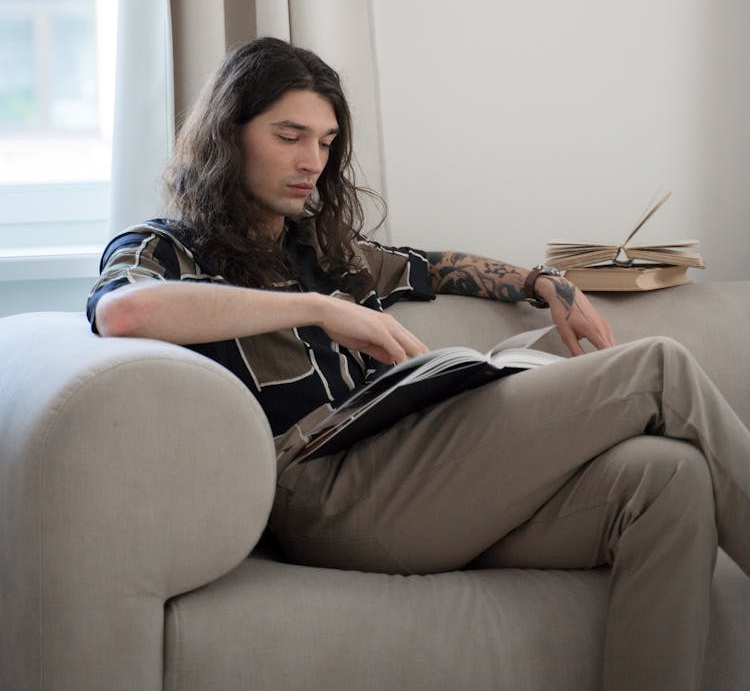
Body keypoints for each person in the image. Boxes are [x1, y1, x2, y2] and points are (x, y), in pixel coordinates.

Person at [87, 36, 750, 691]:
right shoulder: (164, 247)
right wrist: (318, 309)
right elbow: (124, 312)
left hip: (423, 480)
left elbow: (435, 267)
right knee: (657, 366)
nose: (311, 160)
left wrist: (546, 282)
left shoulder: (325, 249)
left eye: (324, 142)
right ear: (230, 134)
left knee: (671, 480)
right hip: (327, 487)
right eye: (289, 135)